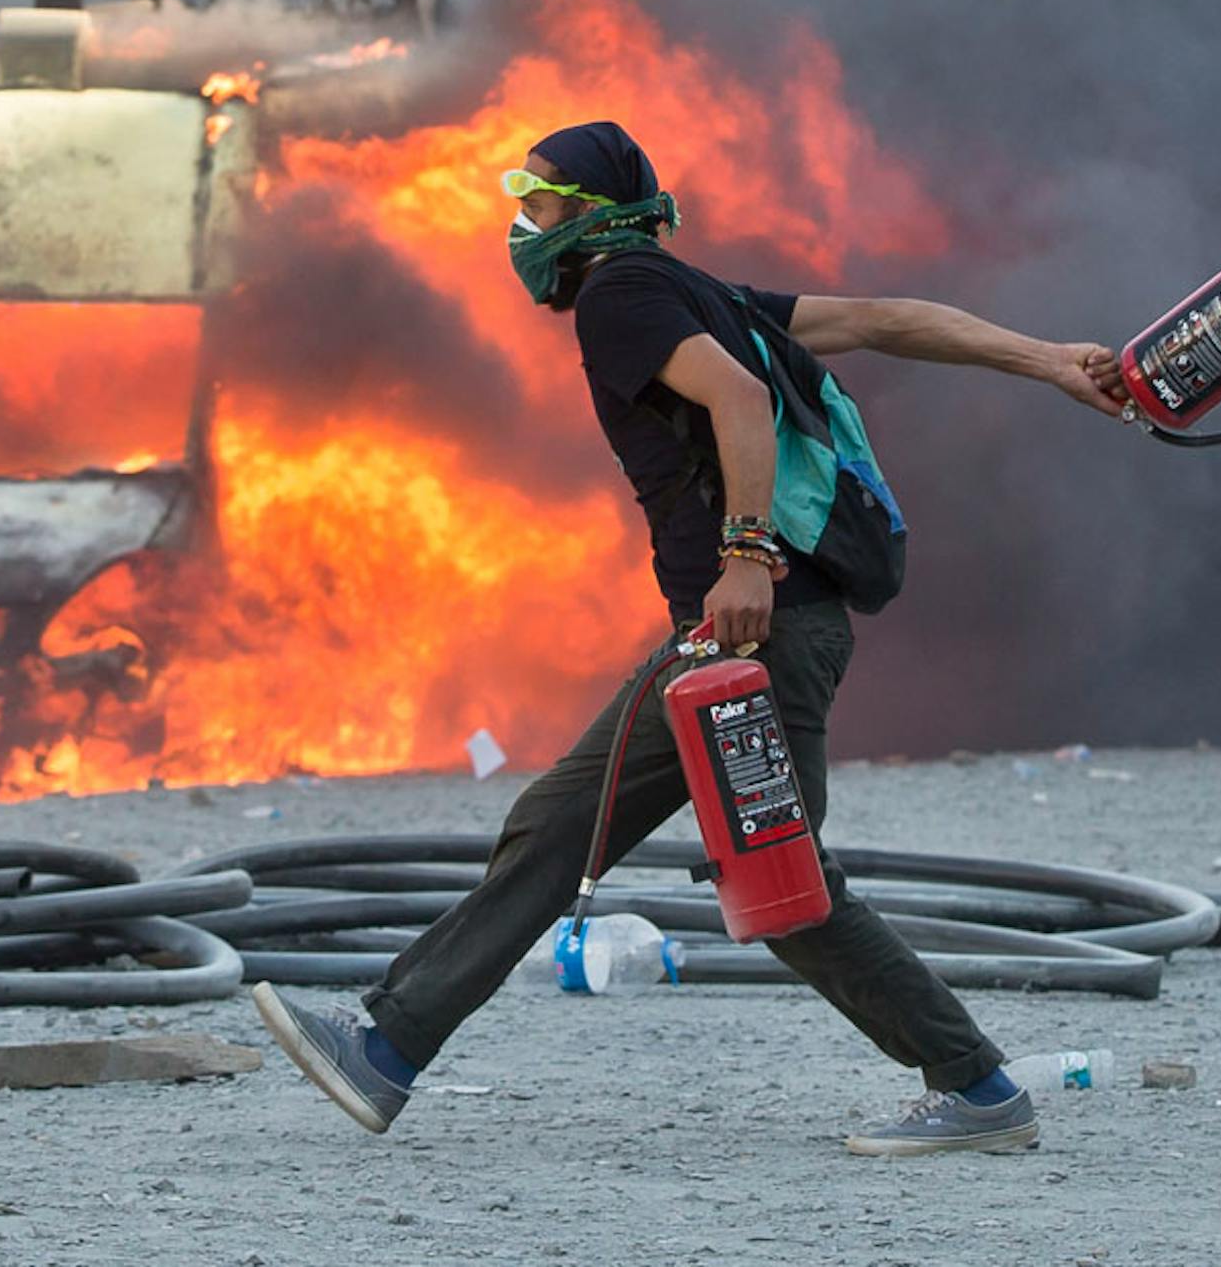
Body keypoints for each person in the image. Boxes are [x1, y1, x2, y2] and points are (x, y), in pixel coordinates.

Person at [253, 122, 1130, 1156]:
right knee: (601, 833)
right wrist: (1047, 360)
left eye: (535, 201)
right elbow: (886, 319)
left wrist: (748, 553)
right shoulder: (703, 294)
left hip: (751, 632)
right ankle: (389, 1051)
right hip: (749, 635)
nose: (523, 224)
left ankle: (976, 1087)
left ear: (581, 211)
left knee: (767, 880)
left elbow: (742, 399)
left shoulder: (622, 296)